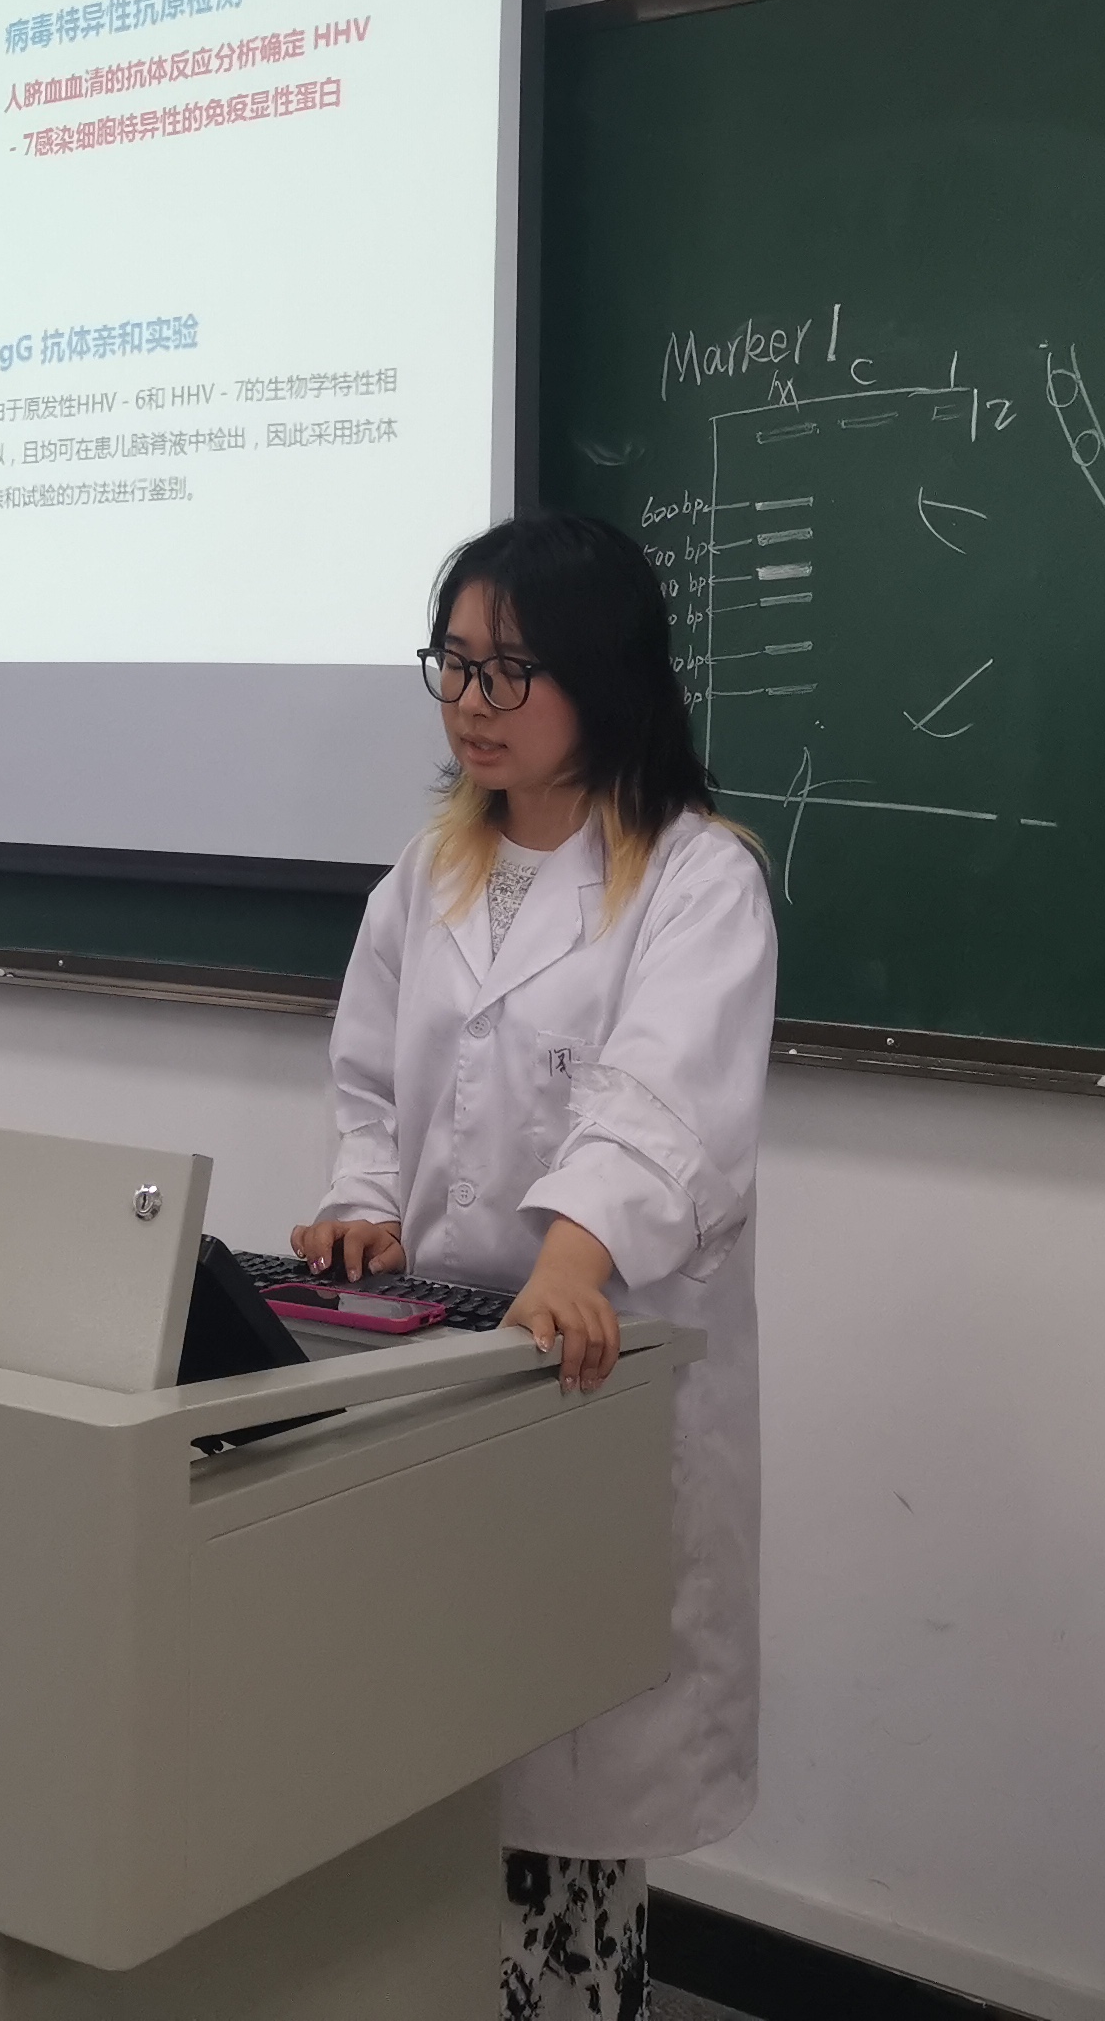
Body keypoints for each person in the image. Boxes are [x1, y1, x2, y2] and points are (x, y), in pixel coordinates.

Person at [294, 511, 775, 2021]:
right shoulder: (428, 874)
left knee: (571, 1791)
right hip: (444, 1372)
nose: (471, 703)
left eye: (510, 670)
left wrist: (571, 1261)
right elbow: (369, 1086)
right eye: (453, 664)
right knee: (438, 1776)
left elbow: (661, 1101)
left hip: (595, 1367)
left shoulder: (695, 879)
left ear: (603, 675)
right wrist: (363, 1207)